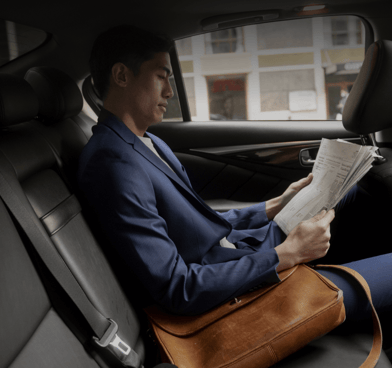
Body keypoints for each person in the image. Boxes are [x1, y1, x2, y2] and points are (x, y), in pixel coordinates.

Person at [79, 25, 392, 324]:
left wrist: (278, 204)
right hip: (238, 297)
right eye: (161, 76)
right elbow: (178, 288)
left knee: (349, 194)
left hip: (243, 255)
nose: (170, 92)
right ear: (121, 75)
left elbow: (195, 224)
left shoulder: (146, 141)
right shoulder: (112, 163)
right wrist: (287, 254)